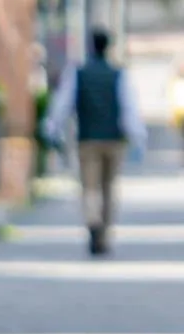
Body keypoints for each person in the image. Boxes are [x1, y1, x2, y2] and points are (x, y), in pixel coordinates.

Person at [42, 28, 147, 256]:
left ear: (90, 46)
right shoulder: (119, 74)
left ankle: (93, 222)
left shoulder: (78, 73)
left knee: (90, 187)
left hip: (88, 139)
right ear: (108, 47)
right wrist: (138, 137)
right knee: (108, 188)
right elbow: (129, 109)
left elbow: (63, 104)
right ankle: (105, 233)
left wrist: (52, 129)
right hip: (113, 139)